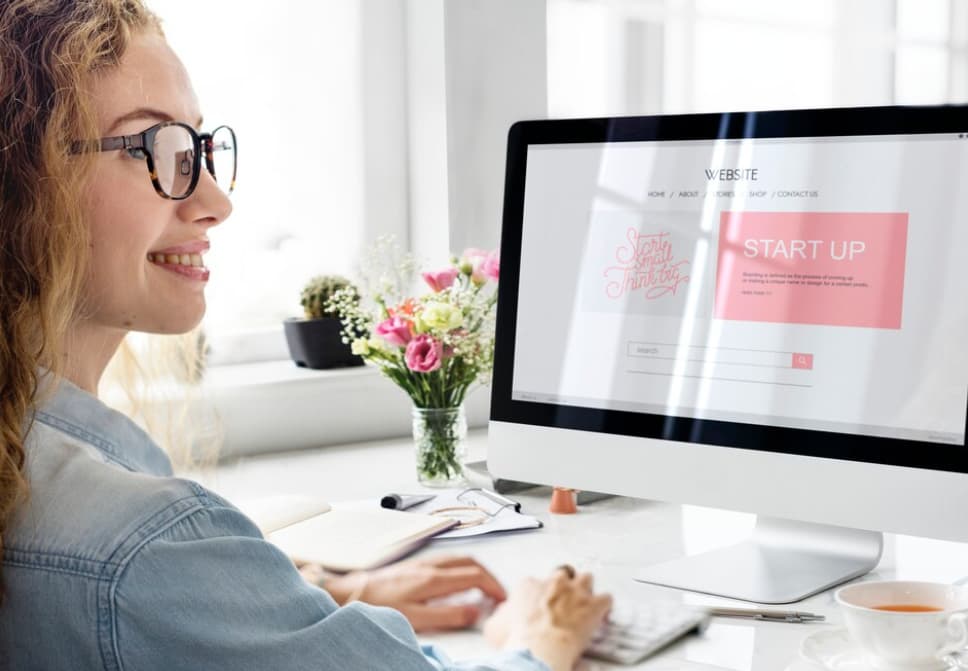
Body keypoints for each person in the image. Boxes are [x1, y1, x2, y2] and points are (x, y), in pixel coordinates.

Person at [0, 1, 611, 669]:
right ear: (24, 185)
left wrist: (315, 592)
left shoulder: (36, 469)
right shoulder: (145, 544)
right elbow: (142, 577)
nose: (215, 201)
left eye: (200, 148)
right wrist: (539, 639)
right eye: (160, 147)